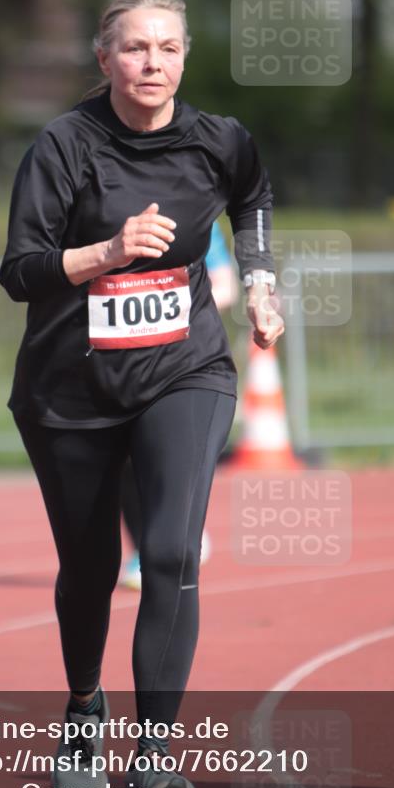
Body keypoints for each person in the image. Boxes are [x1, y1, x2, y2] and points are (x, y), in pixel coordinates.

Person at [0, 0, 283, 788]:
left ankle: (152, 760)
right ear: (103, 59)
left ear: (184, 56)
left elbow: (253, 200)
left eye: (166, 48)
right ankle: (85, 708)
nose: (150, 63)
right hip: (69, 388)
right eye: (133, 48)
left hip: (183, 370)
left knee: (167, 552)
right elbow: (19, 270)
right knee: (88, 568)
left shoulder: (218, 140)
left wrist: (261, 284)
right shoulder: (63, 146)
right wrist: (107, 253)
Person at [120, 220, 239, 590]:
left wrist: (169, 309)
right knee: (124, 459)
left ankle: (181, 530)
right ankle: (145, 547)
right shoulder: (104, 207)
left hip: (181, 359)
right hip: (119, 362)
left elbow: (226, 286)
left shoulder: (197, 213)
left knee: (168, 451)